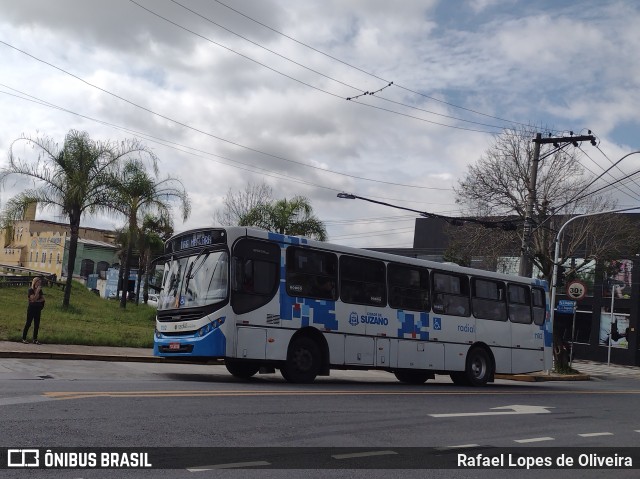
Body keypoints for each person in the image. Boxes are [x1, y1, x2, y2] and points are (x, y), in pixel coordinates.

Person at [23, 276, 45, 344]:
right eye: (38, 282)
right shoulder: (30, 290)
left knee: (37, 324)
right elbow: (33, 299)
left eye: (40, 283)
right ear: (35, 282)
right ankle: (24, 338)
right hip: (31, 309)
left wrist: (37, 301)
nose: (39, 284)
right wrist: (37, 292)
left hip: (38, 309)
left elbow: (43, 299)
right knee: (28, 323)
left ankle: (35, 339)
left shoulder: (40, 290)